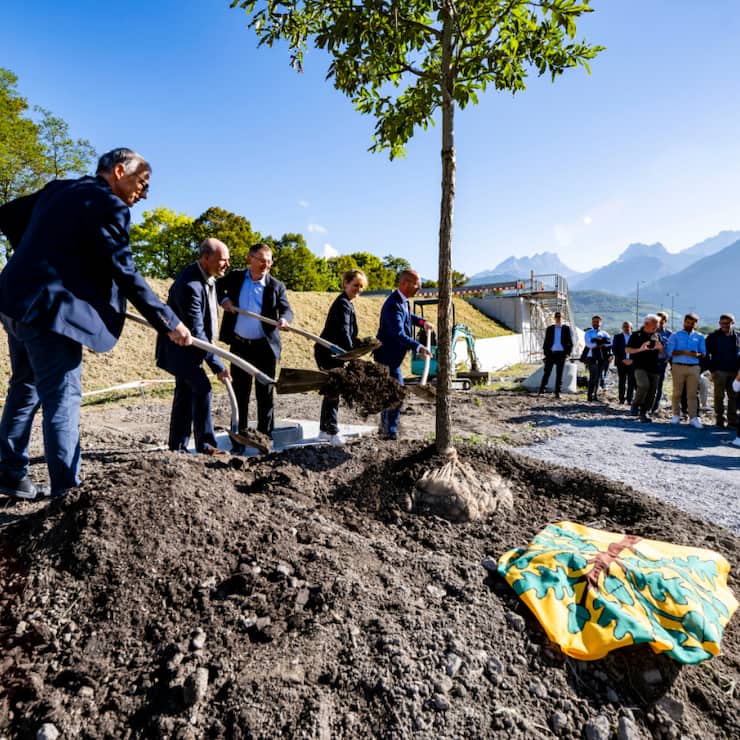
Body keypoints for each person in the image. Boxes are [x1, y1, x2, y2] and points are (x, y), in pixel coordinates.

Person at [0, 148, 191, 500]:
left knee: (25, 386)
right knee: (63, 398)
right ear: (119, 171)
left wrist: (38, 256)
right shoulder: (110, 206)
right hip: (48, 312)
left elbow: (9, 215)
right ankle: (66, 495)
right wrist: (169, 322)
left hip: (13, 300)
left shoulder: (58, 189)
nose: (144, 194)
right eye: (142, 183)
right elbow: (125, 271)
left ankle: (11, 473)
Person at [156, 239, 231, 455]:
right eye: (222, 260)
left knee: (185, 393)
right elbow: (197, 333)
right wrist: (217, 365)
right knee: (202, 387)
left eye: (227, 259)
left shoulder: (207, 277)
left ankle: (177, 446)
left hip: (192, 350)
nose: (226, 264)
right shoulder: (190, 286)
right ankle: (206, 444)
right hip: (180, 350)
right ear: (205, 259)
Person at [217, 243, 293, 441]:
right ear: (250, 259)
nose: (265, 265)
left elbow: (286, 309)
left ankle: (264, 439)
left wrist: (285, 319)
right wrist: (224, 300)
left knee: (265, 396)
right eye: (261, 260)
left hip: (265, 348)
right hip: (240, 346)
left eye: (268, 261)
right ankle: (239, 437)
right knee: (240, 394)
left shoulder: (276, 286)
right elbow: (215, 286)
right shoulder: (235, 278)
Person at [373, 269, 433, 440]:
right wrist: (419, 347)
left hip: (393, 359)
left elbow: (409, 317)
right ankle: (389, 433)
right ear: (405, 283)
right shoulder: (392, 305)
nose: (419, 287)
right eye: (417, 284)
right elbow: (398, 334)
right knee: (396, 394)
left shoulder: (403, 301)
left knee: (391, 395)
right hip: (387, 358)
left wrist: (422, 322)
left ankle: (386, 430)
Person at [314, 269, 368, 444]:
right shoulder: (343, 303)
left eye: (361, 286)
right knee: (334, 390)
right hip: (328, 352)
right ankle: (333, 431)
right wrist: (352, 354)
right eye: (355, 285)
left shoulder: (347, 303)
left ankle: (324, 430)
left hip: (334, 353)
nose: (358, 289)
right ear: (346, 283)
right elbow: (343, 331)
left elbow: (349, 333)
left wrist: (358, 344)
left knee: (331, 390)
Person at [666, 313, 707, 429]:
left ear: (695, 324)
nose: (689, 325)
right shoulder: (675, 336)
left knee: (692, 394)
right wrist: (683, 352)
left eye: (692, 323)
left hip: (694, 367)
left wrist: (696, 354)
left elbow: (703, 353)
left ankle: (693, 418)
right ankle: (676, 415)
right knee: (677, 392)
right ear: (684, 322)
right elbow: (670, 352)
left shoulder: (700, 337)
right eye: (687, 322)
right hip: (678, 366)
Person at [626, 314, 663, 423]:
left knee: (652, 391)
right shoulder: (636, 335)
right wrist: (640, 349)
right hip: (639, 366)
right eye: (655, 325)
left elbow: (662, 352)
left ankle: (644, 412)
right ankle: (635, 404)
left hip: (654, 367)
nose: (657, 327)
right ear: (646, 324)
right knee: (643, 385)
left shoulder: (657, 336)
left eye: (657, 325)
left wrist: (660, 348)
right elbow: (627, 350)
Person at [705, 313, 740, 428]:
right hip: (719, 371)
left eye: (727, 323)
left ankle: (732, 421)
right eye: (722, 323)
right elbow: (706, 353)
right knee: (718, 396)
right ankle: (719, 420)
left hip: (735, 372)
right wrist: (712, 369)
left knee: (733, 397)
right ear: (719, 323)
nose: (724, 325)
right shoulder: (713, 336)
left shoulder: (738, 337)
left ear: (732, 323)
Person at [538, 311, 573, 398]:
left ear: (562, 318)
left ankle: (557, 392)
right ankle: (542, 389)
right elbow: (546, 341)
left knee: (559, 373)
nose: (558, 318)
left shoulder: (566, 328)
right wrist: (546, 352)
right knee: (547, 372)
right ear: (554, 318)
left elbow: (570, 341)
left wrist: (568, 353)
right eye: (557, 317)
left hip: (561, 354)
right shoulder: (550, 328)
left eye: (560, 317)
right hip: (551, 353)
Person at [583, 315, 611, 402]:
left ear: (600, 323)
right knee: (593, 376)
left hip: (602, 357)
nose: (596, 323)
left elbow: (609, 343)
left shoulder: (604, 333)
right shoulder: (588, 333)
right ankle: (589, 395)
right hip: (592, 357)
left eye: (597, 322)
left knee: (599, 376)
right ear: (592, 322)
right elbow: (589, 344)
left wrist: (599, 342)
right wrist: (600, 343)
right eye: (594, 322)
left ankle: (595, 394)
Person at [651, 311, 672, 414]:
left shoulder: (669, 334)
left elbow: (671, 349)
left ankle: (655, 407)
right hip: (649, 361)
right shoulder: (649, 332)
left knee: (658, 385)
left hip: (661, 361)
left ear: (665, 321)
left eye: (661, 319)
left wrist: (667, 358)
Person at [611, 321, 635, 405]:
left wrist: (632, 360)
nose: (626, 328)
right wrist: (622, 359)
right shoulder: (617, 337)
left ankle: (630, 399)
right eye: (624, 326)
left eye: (627, 326)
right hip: (621, 362)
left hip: (632, 363)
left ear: (631, 328)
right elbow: (614, 349)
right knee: (622, 381)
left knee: (631, 381)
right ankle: (621, 399)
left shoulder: (635, 337)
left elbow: (639, 350)